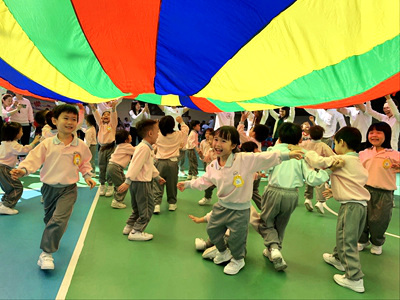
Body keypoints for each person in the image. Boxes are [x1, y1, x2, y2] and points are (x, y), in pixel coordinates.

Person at [177, 126, 303, 275]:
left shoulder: (244, 159)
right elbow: (204, 180)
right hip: (221, 206)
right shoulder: (214, 165)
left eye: (224, 141)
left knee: (237, 239)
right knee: (212, 230)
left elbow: (264, 157)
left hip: (240, 210)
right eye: (216, 139)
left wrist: (287, 155)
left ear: (234, 145)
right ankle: (223, 251)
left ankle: (238, 260)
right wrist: (187, 184)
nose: (218, 144)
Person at [10, 104, 96, 270]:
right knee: (50, 220)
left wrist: (87, 176)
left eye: (74, 119)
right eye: (66, 118)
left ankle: (46, 254)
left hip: (69, 189)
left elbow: (85, 163)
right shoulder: (47, 143)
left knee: (59, 220)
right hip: (49, 188)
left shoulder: (80, 145)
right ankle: (51, 237)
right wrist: (23, 169)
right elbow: (33, 160)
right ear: (55, 120)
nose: (70, 122)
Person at [258, 123, 332, 271]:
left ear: (279, 136)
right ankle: (273, 251)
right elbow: (311, 179)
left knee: (266, 222)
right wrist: (328, 172)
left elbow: (265, 168)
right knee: (281, 224)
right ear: (299, 138)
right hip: (292, 194)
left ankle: (273, 248)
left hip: (273, 190)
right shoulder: (302, 154)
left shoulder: (274, 150)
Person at [305, 126, 369, 293]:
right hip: (359, 205)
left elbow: (318, 161)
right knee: (345, 235)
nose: (334, 147)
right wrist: (336, 190)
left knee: (347, 239)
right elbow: (355, 180)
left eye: (335, 143)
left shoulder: (342, 159)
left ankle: (354, 278)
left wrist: (303, 150)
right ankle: (338, 258)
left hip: (351, 206)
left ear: (342, 142)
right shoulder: (357, 160)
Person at [118, 119, 165, 241]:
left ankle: (129, 226)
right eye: (157, 132)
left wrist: (157, 177)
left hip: (137, 182)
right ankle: (136, 231)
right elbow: (135, 165)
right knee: (148, 208)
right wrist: (127, 181)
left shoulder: (145, 147)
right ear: (150, 133)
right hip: (142, 183)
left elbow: (148, 165)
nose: (158, 134)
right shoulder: (144, 148)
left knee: (138, 208)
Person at [357, 122, 400, 255]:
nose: (374, 135)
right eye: (371, 132)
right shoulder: (363, 153)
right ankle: (362, 240)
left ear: (386, 135)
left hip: (384, 193)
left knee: (380, 221)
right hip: (364, 190)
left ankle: (377, 242)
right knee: (362, 219)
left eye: (378, 132)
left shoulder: (394, 154)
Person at [0, 122, 40, 215]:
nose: (22, 133)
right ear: (16, 134)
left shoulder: (3, 143)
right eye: (21, 131)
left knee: (8, 187)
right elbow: (24, 150)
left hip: (2, 168)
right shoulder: (13, 144)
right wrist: (34, 142)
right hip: (4, 169)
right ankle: (6, 206)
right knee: (17, 187)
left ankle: (4, 203)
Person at [153, 116, 188, 214]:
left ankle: (156, 205)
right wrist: (181, 121)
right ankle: (172, 204)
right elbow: (186, 130)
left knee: (157, 184)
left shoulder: (158, 135)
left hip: (160, 162)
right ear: (173, 125)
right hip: (173, 162)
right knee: (172, 183)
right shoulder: (177, 135)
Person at [300, 125, 335, 213]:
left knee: (309, 182)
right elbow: (332, 156)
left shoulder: (305, 143)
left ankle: (308, 199)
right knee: (320, 184)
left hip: (308, 167)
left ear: (310, 135)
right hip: (320, 168)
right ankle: (320, 202)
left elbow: (300, 150)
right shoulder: (323, 145)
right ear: (321, 135)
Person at [89, 99, 121, 197]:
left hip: (111, 148)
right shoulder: (101, 125)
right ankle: (102, 185)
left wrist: (114, 107)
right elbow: (96, 114)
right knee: (102, 167)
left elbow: (114, 116)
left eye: (108, 115)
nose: (105, 116)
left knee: (109, 168)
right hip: (102, 149)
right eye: (104, 115)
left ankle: (110, 185)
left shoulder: (112, 124)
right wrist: (93, 107)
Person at [106, 130, 135, 209]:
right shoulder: (127, 146)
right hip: (116, 167)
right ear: (126, 140)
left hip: (111, 166)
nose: (131, 136)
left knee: (120, 183)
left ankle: (117, 199)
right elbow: (137, 151)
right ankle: (117, 201)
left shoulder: (120, 145)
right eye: (129, 135)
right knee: (123, 184)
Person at [197, 129, 216, 206]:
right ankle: (207, 198)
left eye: (212, 139)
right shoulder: (210, 150)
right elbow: (206, 159)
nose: (209, 141)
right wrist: (201, 155)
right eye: (209, 139)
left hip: (221, 174)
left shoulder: (223, 152)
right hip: (211, 172)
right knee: (208, 185)